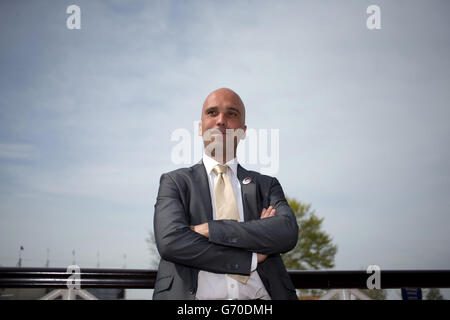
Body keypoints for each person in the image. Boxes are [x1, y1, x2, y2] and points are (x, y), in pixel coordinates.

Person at [153, 88, 299, 300]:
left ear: (243, 130)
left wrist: (210, 229)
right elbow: (171, 242)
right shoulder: (175, 182)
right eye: (212, 113)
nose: (221, 121)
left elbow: (286, 232)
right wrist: (251, 258)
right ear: (201, 127)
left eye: (232, 114)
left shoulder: (266, 185)